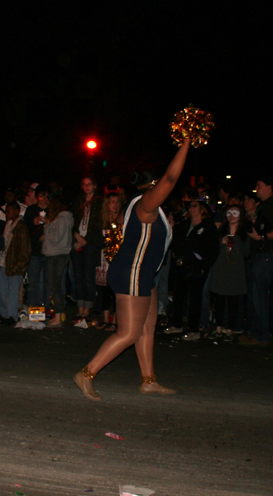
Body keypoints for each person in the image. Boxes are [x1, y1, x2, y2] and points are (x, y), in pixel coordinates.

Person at [73, 139, 190, 400]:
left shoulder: (142, 207)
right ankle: (86, 374)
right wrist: (187, 142)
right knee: (128, 333)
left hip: (143, 273)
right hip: (132, 273)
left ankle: (149, 380)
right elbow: (171, 178)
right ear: (153, 186)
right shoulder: (145, 204)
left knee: (147, 329)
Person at [241, 178, 273, 346]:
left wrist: (262, 237)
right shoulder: (264, 206)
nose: (256, 188)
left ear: (269, 187)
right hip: (258, 254)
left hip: (266, 254)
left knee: (259, 295)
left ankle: (261, 335)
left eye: (259, 186)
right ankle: (255, 332)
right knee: (254, 294)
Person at [170, 199, 218, 341]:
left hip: (197, 266)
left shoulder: (208, 226)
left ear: (202, 209)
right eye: (190, 206)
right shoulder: (185, 224)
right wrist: (176, 252)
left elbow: (213, 248)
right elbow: (176, 240)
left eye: (195, 206)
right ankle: (177, 324)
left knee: (195, 297)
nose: (192, 209)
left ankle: (193, 329)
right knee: (179, 295)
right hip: (182, 264)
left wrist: (204, 265)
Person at [209, 205, 250, 341]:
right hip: (221, 269)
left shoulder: (244, 234)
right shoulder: (221, 231)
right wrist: (221, 243)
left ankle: (230, 329)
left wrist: (237, 242)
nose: (231, 216)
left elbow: (247, 252)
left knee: (233, 301)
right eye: (229, 213)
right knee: (220, 300)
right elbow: (213, 249)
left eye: (235, 213)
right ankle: (218, 327)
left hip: (235, 271)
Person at [70, 176, 104, 322]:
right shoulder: (78, 200)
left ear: (94, 185)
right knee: (78, 276)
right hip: (78, 240)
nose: (87, 187)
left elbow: (99, 224)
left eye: (89, 184)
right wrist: (76, 235)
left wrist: (86, 241)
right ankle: (80, 308)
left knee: (89, 277)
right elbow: (72, 220)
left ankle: (88, 309)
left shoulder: (100, 202)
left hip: (90, 243)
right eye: (84, 184)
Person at [0, 201, 31, 324]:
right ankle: (5, 314)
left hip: (14, 263)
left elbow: (24, 250)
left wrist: (18, 266)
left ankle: (12, 316)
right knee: (2, 291)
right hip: (5, 262)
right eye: (6, 211)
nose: (7, 214)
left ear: (17, 211)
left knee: (12, 292)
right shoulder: (9, 225)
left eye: (9, 211)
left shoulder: (21, 227)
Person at [42, 196, 74, 328]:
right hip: (55, 254)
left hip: (57, 255)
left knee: (55, 286)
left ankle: (58, 317)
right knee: (54, 286)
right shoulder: (61, 219)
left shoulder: (62, 219)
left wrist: (47, 225)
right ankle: (57, 316)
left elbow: (56, 238)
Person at [94, 192, 123, 331]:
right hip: (103, 258)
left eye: (117, 202)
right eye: (112, 201)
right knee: (104, 290)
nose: (115, 205)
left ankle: (115, 321)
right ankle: (105, 320)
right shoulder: (102, 220)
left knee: (115, 291)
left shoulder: (122, 219)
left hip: (117, 259)